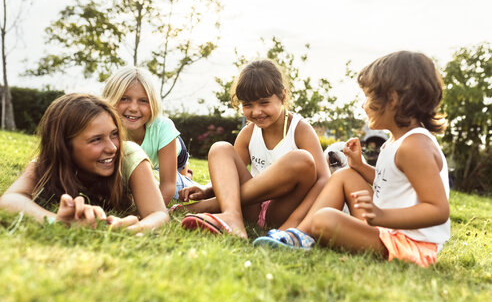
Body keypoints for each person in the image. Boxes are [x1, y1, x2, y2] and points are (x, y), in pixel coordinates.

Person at [254, 51, 450, 267]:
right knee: (344, 175)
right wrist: (359, 166)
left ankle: (303, 234)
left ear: (392, 99)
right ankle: (298, 235)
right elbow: (395, 184)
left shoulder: (415, 146)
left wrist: (383, 216)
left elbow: (437, 209)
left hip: (408, 244)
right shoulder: (396, 141)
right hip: (386, 229)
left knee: (325, 219)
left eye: (368, 97)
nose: (363, 105)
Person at [179, 59, 331, 239]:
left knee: (301, 159)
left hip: (282, 210)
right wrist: (207, 189)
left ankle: (212, 205)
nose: (256, 112)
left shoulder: (300, 130)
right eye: (247, 105)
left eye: (264, 103)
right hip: (250, 208)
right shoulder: (248, 134)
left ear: (282, 96)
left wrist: (293, 223)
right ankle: (232, 216)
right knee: (220, 148)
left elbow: (324, 181)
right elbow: (230, 178)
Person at [0, 94, 169, 232]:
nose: (112, 148)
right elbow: (10, 199)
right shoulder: (47, 163)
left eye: (114, 134)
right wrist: (57, 222)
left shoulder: (130, 155)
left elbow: (159, 213)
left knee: (185, 194)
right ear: (64, 146)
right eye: (96, 139)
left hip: (154, 176)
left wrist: (136, 228)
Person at [102, 66, 196, 205]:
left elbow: (168, 185)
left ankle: (186, 174)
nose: (133, 108)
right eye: (124, 99)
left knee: (181, 188)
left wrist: (153, 210)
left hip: (173, 150)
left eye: (143, 100)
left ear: (153, 103)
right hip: (145, 165)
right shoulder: (103, 129)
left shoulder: (163, 128)